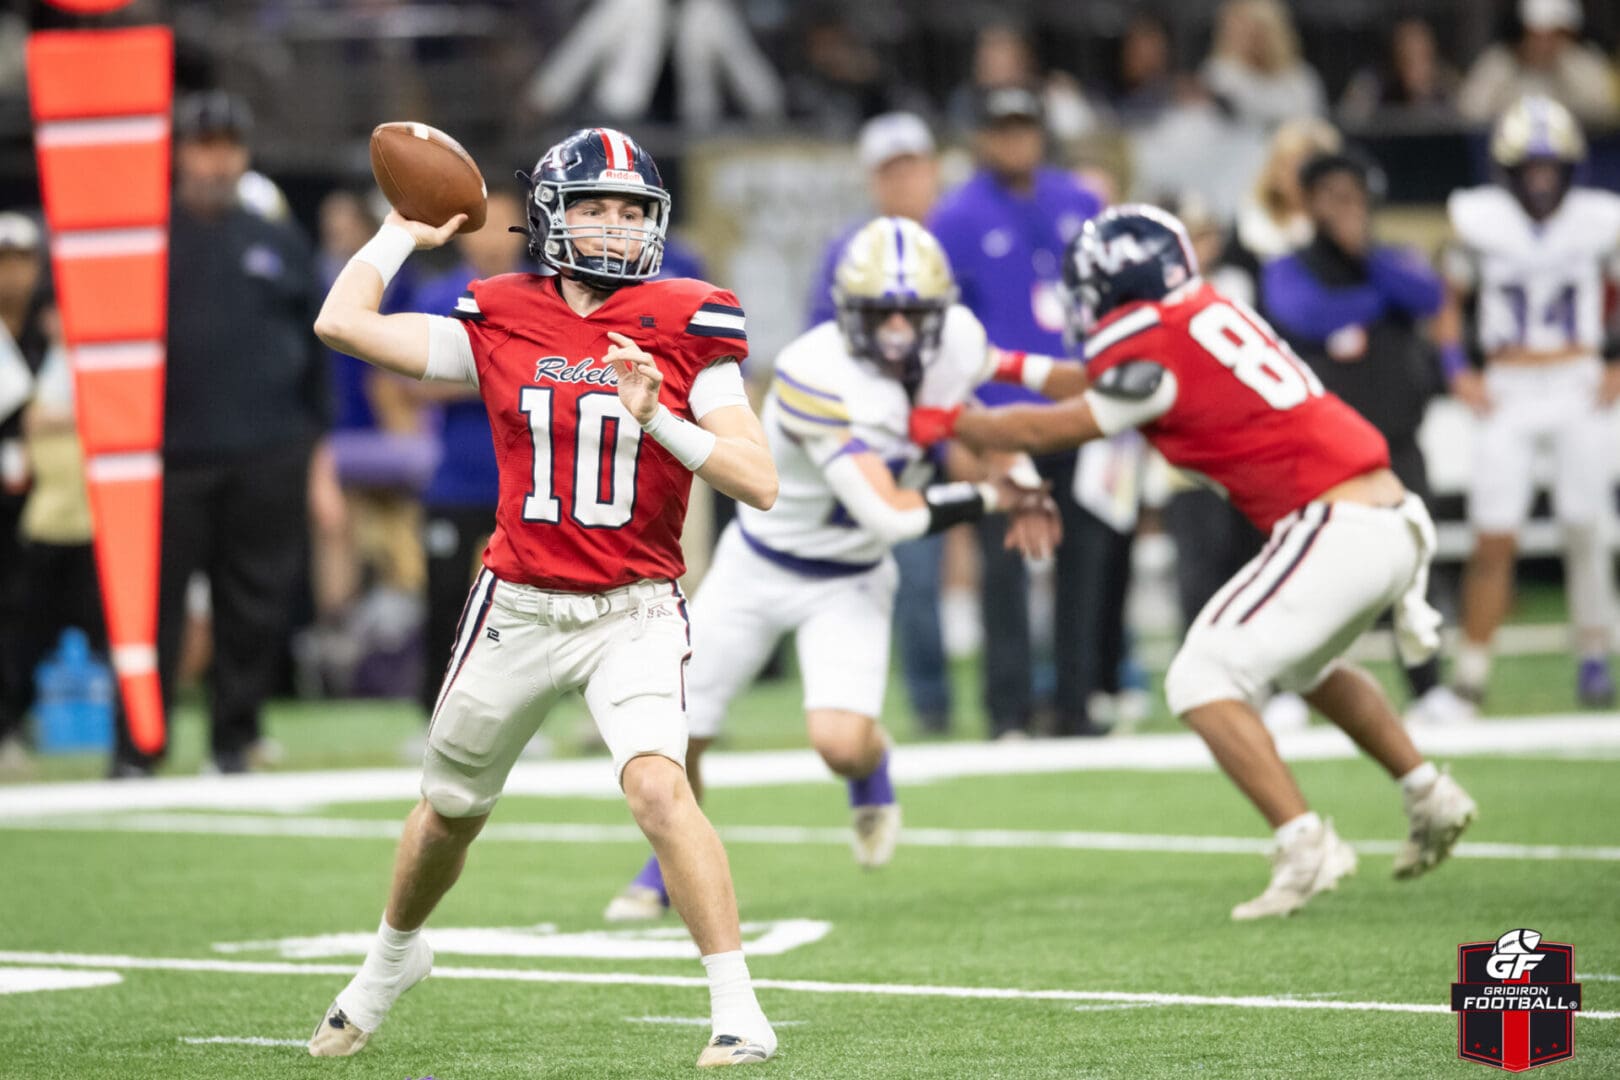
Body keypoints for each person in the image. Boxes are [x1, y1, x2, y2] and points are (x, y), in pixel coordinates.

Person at [307, 127, 779, 1068]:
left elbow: (758, 479)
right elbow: (342, 324)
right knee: (449, 811)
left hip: (634, 606)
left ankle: (738, 1008)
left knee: (658, 786)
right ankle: (390, 961)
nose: (616, 225)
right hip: (518, 602)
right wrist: (400, 232)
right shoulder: (501, 311)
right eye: (595, 207)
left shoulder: (690, 320)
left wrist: (660, 417)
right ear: (552, 217)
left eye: (632, 210)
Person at [908, 205, 1478, 919]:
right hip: (1381, 517)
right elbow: (1108, 387)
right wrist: (1001, 365)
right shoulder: (1193, 320)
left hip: (1337, 524)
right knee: (1308, 669)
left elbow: (1054, 427)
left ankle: (1305, 844)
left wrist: (939, 419)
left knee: (1200, 678)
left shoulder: (1151, 346)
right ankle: (1430, 793)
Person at [602, 217, 1066, 922]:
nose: (900, 330)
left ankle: (870, 769)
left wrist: (1024, 477)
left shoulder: (956, 341)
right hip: (760, 564)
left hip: (849, 576)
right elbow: (892, 516)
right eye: (883, 311)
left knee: (841, 746)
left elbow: (980, 419)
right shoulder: (814, 370)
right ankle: (665, 863)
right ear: (849, 310)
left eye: (915, 312)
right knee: (680, 731)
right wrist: (998, 496)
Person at [111, 91, 330, 776]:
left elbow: (317, 348)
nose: (216, 161)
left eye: (228, 146)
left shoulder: (277, 239)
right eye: (204, 146)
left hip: (268, 451)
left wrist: (314, 450)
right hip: (165, 455)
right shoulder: (144, 241)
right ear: (179, 153)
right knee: (150, 607)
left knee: (254, 605)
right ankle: (137, 748)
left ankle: (233, 742)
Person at [1263, 151, 1471, 726]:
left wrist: (1367, 262)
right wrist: (1378, 301)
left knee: (1412, 566)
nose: (1346, 209)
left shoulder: (1388, 258)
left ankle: (1427, 688)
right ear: (1311, 204)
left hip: (1395, 442)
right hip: (1323, 449)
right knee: (1310, 571)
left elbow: (1428, 296)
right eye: (1332, 197)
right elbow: (1305, 314)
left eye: (1353, 196)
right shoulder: (1289, 266)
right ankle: (1292, 688)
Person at [926, 85, 1106, 738]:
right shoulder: (954, 218)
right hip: (999, 422)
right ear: (981, 137)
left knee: (1085, 562)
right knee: (1003, 567)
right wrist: (954, 431)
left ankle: (1078, 703)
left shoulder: (1080, 203)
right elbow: (935, 333)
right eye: (1001, 128)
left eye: (1024, 126)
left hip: (1083, 414)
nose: (1014, 140)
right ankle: (1009, 710)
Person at [1437, 96, 1620, 711]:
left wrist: (1616, 364)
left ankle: (1593, 656)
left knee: (1585, 526)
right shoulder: (1479, 219)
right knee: (1494, 534)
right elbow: (1447, 298)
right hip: (1509, 386)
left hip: (1576, 378)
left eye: (1550, 166)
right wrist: (1456, 369)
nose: (1541, 180)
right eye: (1530, 167)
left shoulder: (1598, 219)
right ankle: (1472, 672)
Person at [806, 112, 955, 733]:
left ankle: (998, 701)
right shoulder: (849, 252)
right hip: (874, 442)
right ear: (873, 179)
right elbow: (819, 345)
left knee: (975, 570)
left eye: (912, 168)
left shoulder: (955, 234)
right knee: (885, 577)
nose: (904, 182)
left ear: (931, 170)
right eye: (891, 172)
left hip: (949, 429)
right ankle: (910, 706)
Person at [407, 189, 528, 724]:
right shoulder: (440, 295)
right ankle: (433, 714)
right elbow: (416, 379)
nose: (495, 241)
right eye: (485, 227)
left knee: (525, 607)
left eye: (506, 226)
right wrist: (505, 372)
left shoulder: (544, 295)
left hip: (526, 482)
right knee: (445, 599)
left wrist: (473, 369)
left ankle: (518, 715)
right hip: (457, 478)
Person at [1457, 0, 1619, 127]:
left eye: (1554, 35)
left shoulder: (1584, 65)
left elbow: (1604, 116)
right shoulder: (1498, 65)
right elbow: (1468, 113)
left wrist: (1565, 69)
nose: (1544, 44)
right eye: (1535, 35)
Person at [1199, 0, 1326, 129]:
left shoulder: (1301, 76)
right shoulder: (1218, 74)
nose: (1244, 38)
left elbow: (1312, 123)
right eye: (1235, 30)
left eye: (1253, 31)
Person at [1337, 17, 1460, 125]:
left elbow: (1462, 121)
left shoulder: (1448, 86)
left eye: (1421, 57)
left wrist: (1422, 96)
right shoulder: (1376, 85)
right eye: (1406, 58)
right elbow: (1349, 120)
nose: (1415, 67)